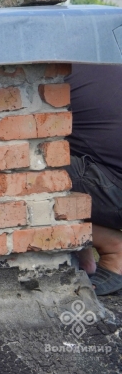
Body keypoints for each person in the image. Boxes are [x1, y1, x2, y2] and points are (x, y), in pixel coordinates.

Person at [66, 64, 122, 295]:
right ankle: (83, 256)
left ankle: (114, 249)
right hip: (110, 174)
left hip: (115, 189)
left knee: (21, 164)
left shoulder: (51, 69)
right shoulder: (98, 55)